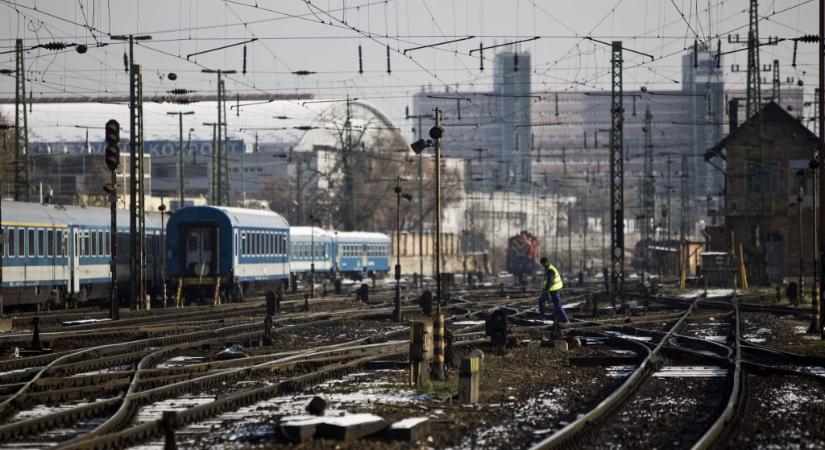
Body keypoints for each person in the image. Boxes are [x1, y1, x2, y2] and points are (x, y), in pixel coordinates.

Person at [539, 257, 570, 323]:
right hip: (551, 289)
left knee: (557, 305)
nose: (542, 266)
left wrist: (546, 291)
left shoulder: (551, 270)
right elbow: (547, 281)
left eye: (543, 264)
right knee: (541, 300)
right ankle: (542, 317)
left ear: (546, 263)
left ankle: (566, 320)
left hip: (554, 290)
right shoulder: (548, 268)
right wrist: (545, 290)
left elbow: (550, 282)